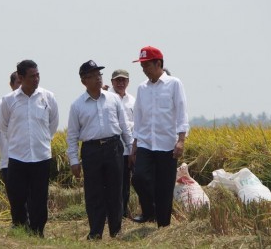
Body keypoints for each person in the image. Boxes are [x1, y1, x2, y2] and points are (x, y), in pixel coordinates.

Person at [67, 60, 133, 240]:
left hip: (114, 147)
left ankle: (116, 231)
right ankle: (95, 232)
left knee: (116, 191)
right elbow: (72, 136)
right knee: (94, 192)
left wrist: (131, 148)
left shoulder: (113, 99)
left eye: (99, 75)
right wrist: (73, 160)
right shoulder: (77, 105)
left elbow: (124, 127)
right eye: (92, 76)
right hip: (91, 151)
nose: (97, 79)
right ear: (83, 81)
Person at [129, 46, 189, 228]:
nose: (144, 69)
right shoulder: (142, 88)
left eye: (147, 65)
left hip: (167, 144)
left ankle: (163, 226)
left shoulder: (174, 84)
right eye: (142, 66)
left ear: (158, 63)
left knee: (164, 188)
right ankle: (149, 210)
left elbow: (181, 113)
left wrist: (181, 141)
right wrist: (134, 145)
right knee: (138, 178)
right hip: (146, 143)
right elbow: (138, 118)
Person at [0, 60, 59, 237]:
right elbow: (4, 126)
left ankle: (37, 232)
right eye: (32, 76)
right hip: (18, 157)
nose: (36, 79)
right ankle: (21, 229)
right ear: (21, 77)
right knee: (17, 197)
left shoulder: (48, 97)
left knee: (39, 198)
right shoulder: (9, 101)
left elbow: (53, 124)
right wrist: (19, 142)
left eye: (37, 75)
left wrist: (42, 140)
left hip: (41, 156)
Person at [108, 69, 136, 218]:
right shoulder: (107, 98)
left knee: (125, 184)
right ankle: (111, 214)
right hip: (111, 148)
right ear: (112, 82)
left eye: (123, 80)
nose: (120, 83)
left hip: (128, 149)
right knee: (112, 184)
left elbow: (138, 123)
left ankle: (123, 213)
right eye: (117, 80)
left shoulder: (132, 100)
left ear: (128, 82)